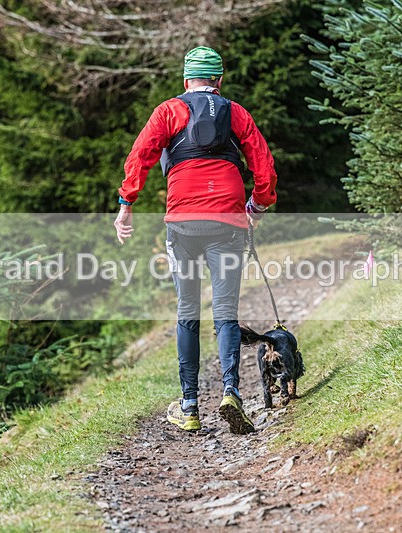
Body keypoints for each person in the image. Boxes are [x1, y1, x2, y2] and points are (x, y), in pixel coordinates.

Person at [114, 46, 277, 434]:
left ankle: (188, 407)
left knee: (187, 311)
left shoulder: (168, 111)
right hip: (229, 222)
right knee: (225, 311)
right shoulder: (235, 112)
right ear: (219, 81)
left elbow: (141, 156)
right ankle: (231, 392)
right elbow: (263, 165)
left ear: (186, 81)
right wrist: (256, 206)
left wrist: (126, 204)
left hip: (183, 224)